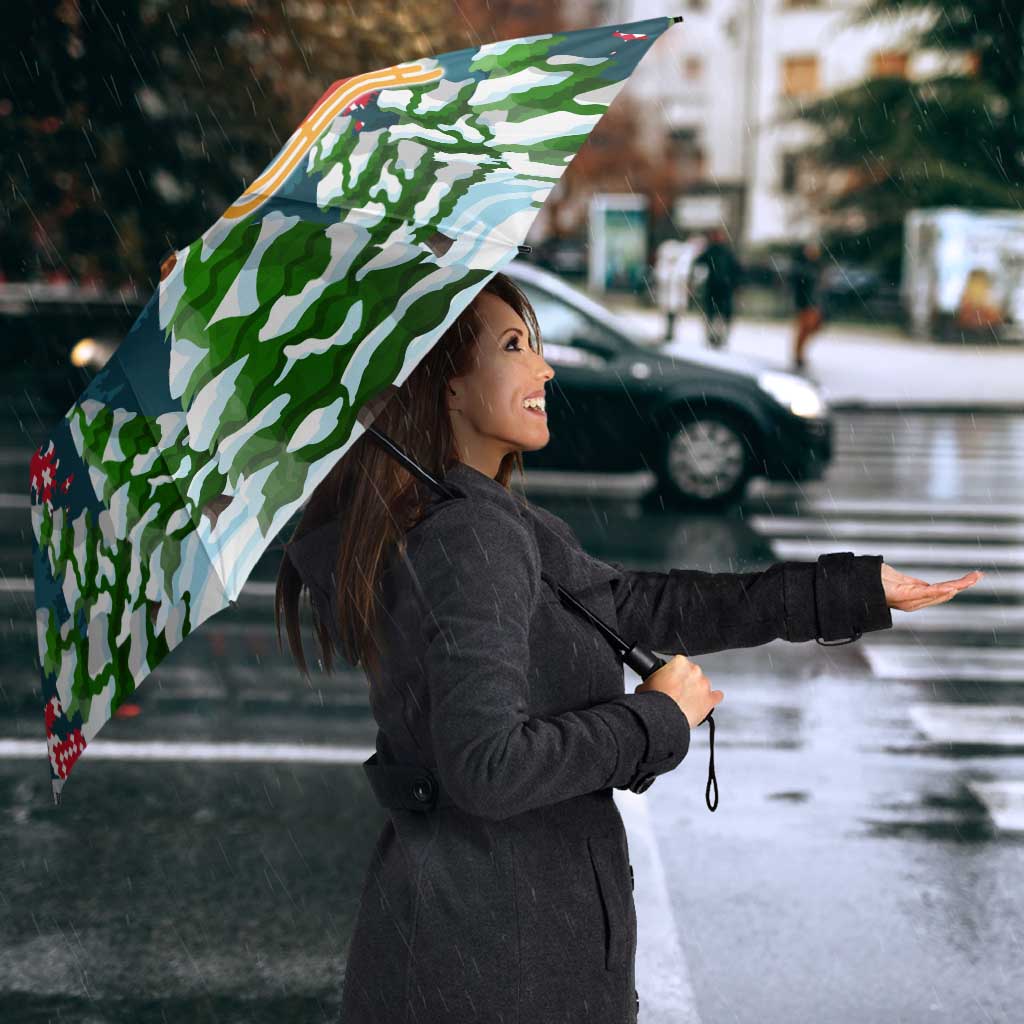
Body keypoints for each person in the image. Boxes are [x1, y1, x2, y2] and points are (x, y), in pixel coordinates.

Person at [276, 272, 982, 1024]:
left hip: (479, 944)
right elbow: (487, 767)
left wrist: (848, 590)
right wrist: (655, 719)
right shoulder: (470, 537)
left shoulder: (480, 519)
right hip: (497, 963)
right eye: (514, 346)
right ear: (446, 387)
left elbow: (644, 606)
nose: (544, 368)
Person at [692, 226, 742, 349]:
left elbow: (736, 270)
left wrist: (735, 284)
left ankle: (719, 337)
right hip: (715, 288)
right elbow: (698, 264)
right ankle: (713, 337)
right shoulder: (712, 251)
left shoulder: (725, 252)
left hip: (723, 288)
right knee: (713, 314)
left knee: (720, 315)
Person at [790, 239, 826, 371]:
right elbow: (799, 286)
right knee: (804, 329)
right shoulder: (802, 267)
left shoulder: (817, 266)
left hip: (814, 303)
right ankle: (798, 355)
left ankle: (800, 354)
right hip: (805, 303)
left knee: (812, 328)